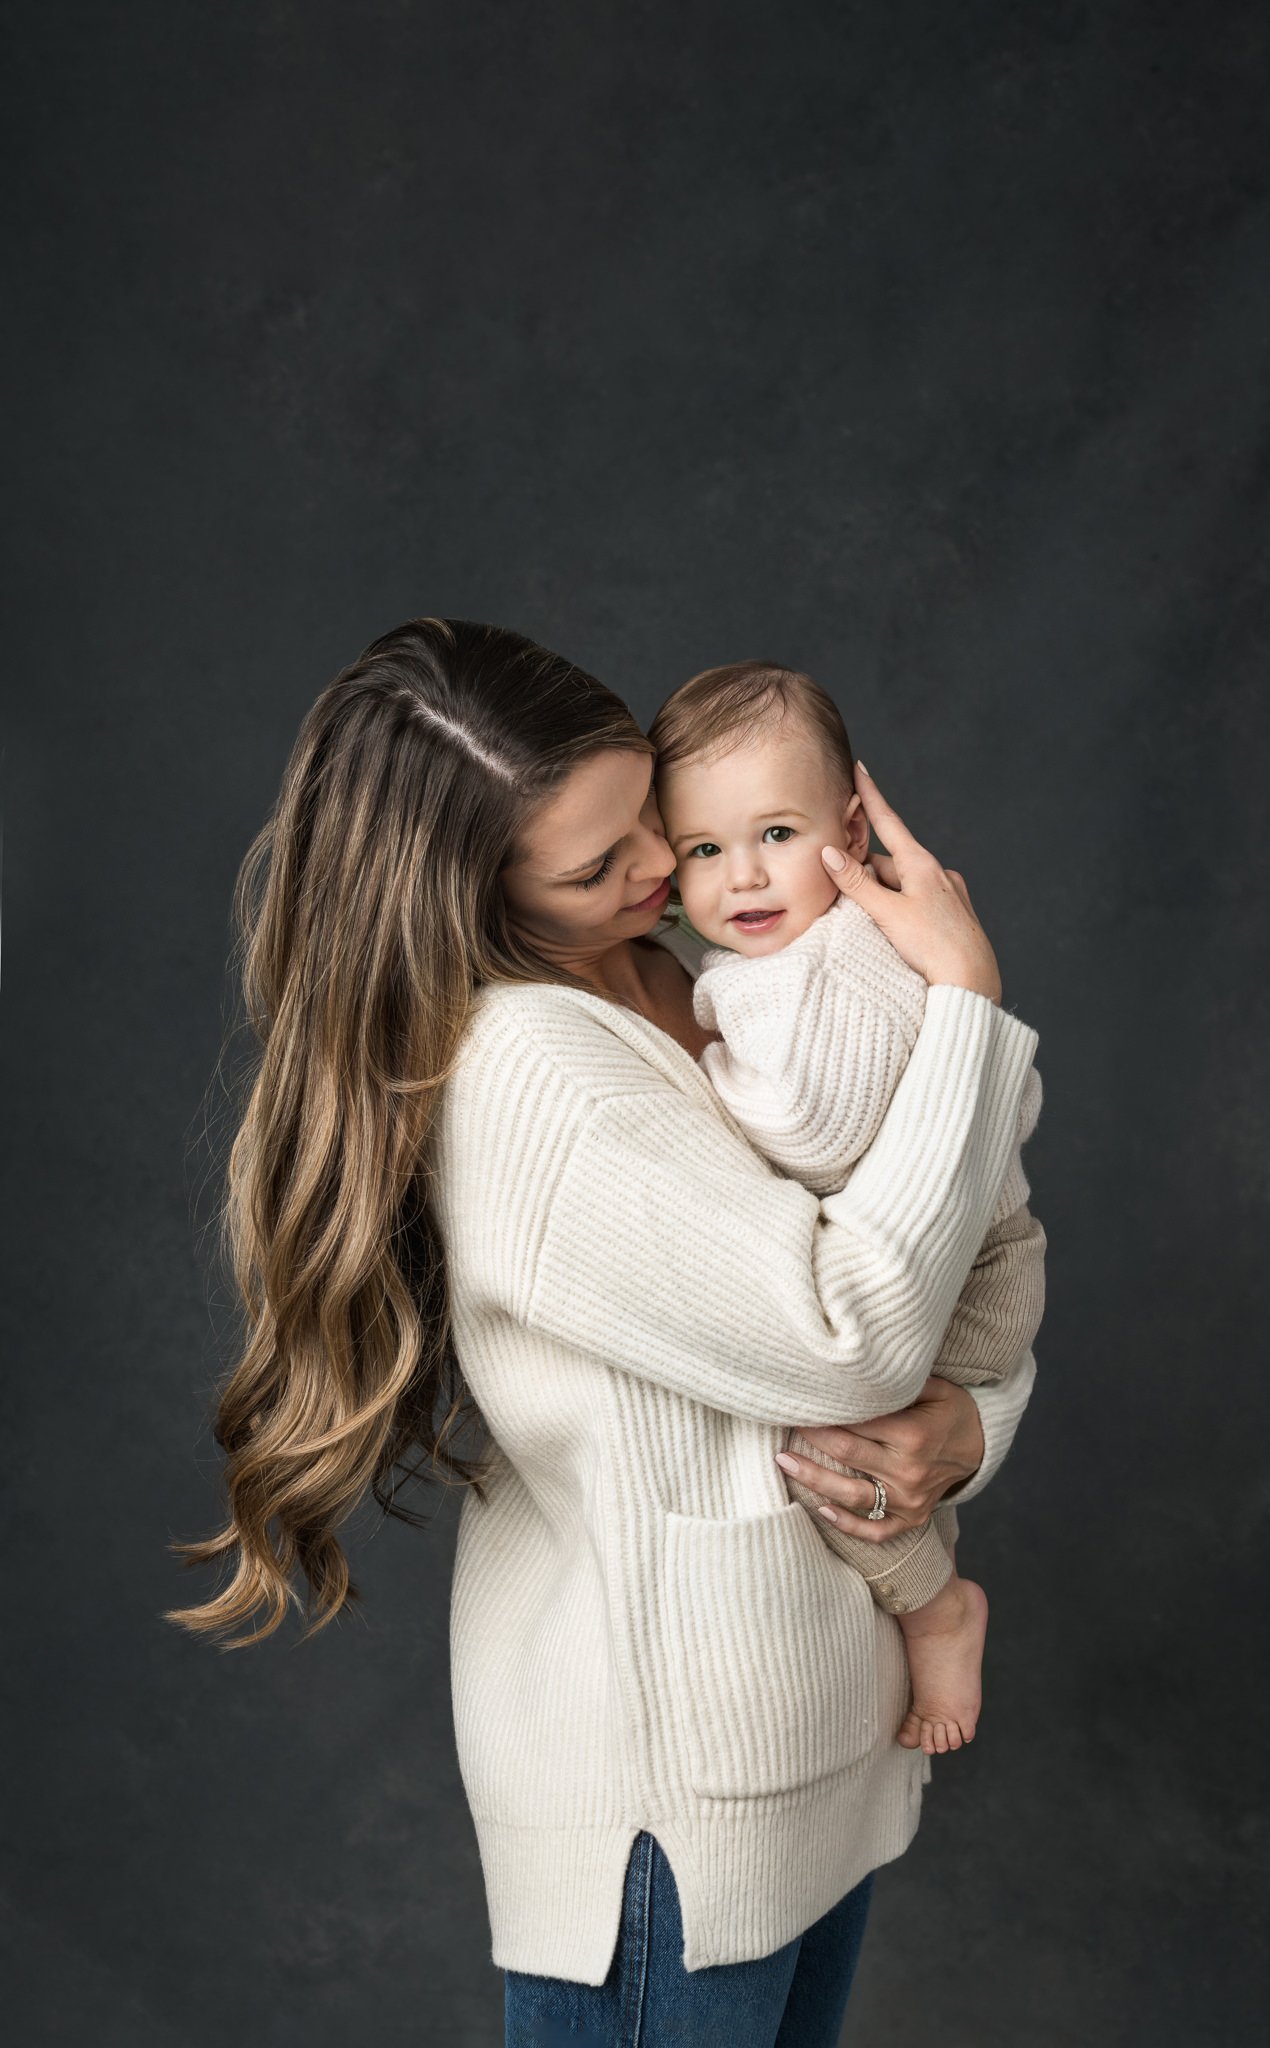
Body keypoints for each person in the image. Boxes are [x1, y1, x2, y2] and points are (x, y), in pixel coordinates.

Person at [164, 617, 1041, 2048]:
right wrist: (964, 1001)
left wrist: (970, 1432)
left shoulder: (692, 975)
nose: (664, 870)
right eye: (597, 865)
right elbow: (849, 1335)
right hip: (676, 1796)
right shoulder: (533, 1079)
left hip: (817, 1722)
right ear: (470, 895)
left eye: (655, 817)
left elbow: (935, 1276)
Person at [646, 658, 1047, 1755]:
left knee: (837, 1456)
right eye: (705, 849)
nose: (743, 879)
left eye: (777, 832)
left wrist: (702, 1076)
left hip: (973, 1273)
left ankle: (937, 1607)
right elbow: (1009, 1086)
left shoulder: (813, 967)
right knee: (887, 1451)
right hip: (989, 1250)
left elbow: (815, 1130)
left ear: (855, 829)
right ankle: (937, 1587)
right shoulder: (865, 941)